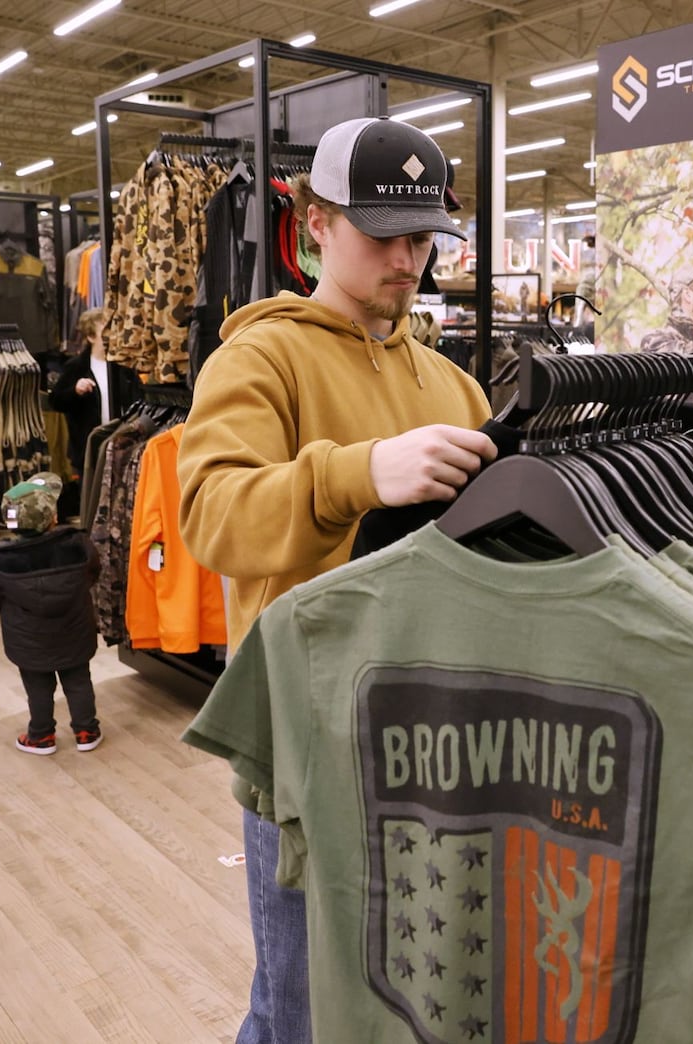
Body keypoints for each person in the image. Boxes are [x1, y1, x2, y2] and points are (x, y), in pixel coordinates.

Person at [176, 116, 496, 1043]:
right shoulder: (257, 357)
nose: (408, 259)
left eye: (423, 236)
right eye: (382, 234)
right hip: (306, 742)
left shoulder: (454, 384)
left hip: (429, 731)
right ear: (314, 222)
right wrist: (355, 473)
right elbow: (212, 517)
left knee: (409, 988)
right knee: (300, 1004)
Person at [0, 474, 102, 755]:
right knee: (79, 679)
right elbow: (93, 572)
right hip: (74, 629)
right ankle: (86, 730)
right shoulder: (78, 545)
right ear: (51, 517)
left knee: (38, 687)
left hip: (28, 638)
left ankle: (41, 736)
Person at [49, 308, 141, 522]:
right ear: (91, 337)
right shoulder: (76, 367)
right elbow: (56, 400)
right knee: (92, 502)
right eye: (104, 330)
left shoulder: (122, 366)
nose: (110, 335)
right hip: (88, 447)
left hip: (121, 443)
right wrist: (75, 390)